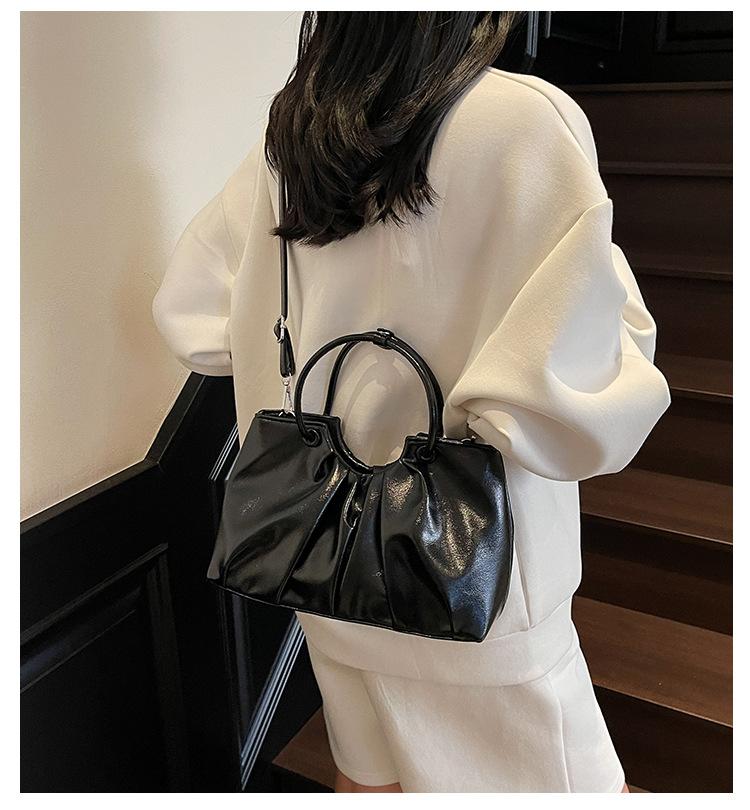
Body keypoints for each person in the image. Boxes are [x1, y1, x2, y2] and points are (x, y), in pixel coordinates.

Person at [152, 11, 670, 793]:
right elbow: (574, 407)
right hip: (478, 589)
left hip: (325, 566)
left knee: (372, 782)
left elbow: (193, 322)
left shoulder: (291, 137)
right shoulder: (525, 121)